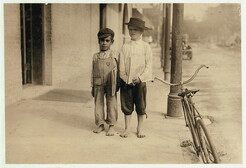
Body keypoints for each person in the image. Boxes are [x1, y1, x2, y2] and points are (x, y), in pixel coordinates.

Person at [119, 17, 153, 138]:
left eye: (136, 30)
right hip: (126, 81)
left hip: (140, 82)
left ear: (141, 32)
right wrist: (124, 77)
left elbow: (149, 65)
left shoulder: (145, 47)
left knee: (141, 105)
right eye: (130, 29)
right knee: (126, 105)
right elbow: (121, 64)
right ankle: (127, 128)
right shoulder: (125, 46)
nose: (132, 32)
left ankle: (140, 128)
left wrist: (141, 78)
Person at [91, 28, 119, 136]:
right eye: (102, 40)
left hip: (111, 83)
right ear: (98, 41)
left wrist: (117, 84)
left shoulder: (114, 55)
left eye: (107, 40)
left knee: (111, 103)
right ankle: (100, 124)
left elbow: (118, 70)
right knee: (98, 103)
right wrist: (92, 85)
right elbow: (92, 72)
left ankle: (111, 126)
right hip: (98, 83)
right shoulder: (95, 56)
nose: (104, 43)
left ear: (112, 42)